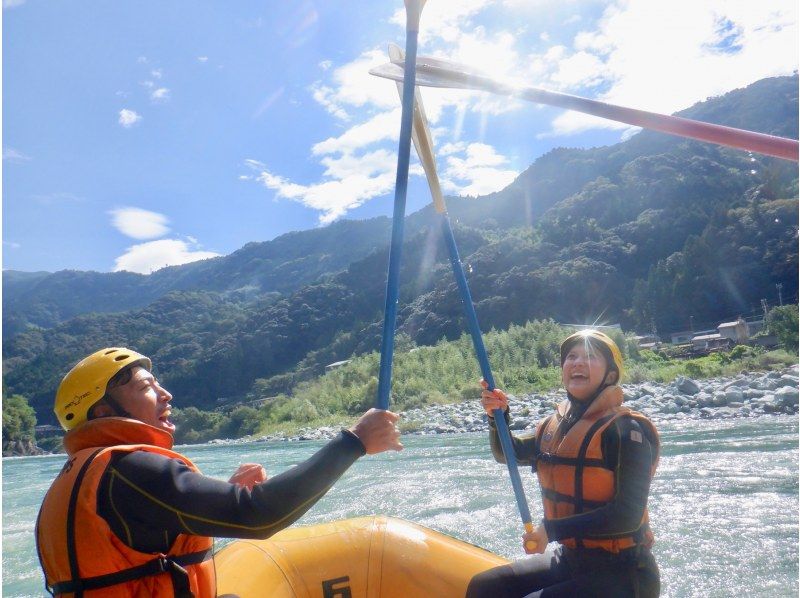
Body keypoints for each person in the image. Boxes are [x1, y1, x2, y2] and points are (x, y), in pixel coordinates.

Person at [36, 347, 402, 597]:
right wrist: (354, 442)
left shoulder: (81, 475)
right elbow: (258, 516)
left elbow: (140, 540)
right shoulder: (130, 469)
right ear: (102, 413)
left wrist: (218, 497)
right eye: (147, 387)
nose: (166, 395)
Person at [467, 330, 660, 598]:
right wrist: (496, 418)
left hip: (623, 572)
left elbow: (626, 515)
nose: (578, 362)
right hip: (570, 560)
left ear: (611, 374)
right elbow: (506, 454)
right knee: (484, 587)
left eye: (590, 356)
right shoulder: (553, 428)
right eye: (571, 357)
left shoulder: (627, 432)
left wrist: (552, 529)